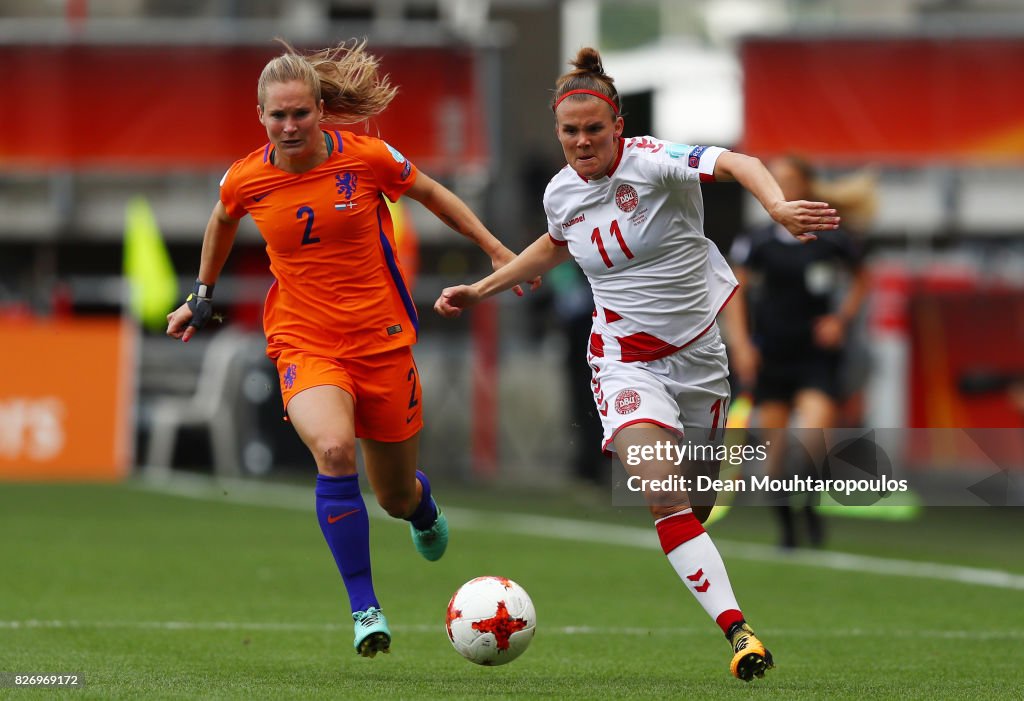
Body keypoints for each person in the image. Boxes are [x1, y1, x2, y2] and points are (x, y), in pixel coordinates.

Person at [434, 47, 840, 681]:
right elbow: (555, 244)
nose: (582, 141)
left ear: (617, 125)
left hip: (700, 358)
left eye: (594, 129)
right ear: (559, 134)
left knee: (696, 507)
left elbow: (739, 161)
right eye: (570, 132)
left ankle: (714, 562)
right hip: (623, 361)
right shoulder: (560, 192)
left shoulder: (655, 162)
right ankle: (739, 633)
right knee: (662, 494)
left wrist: (777, 206)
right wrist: (482, 289)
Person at [165, 39, 527, 659]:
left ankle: (420, 506)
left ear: (320, 110)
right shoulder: (246, 177)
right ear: (260, 117)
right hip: (304, 342)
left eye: (300, 113)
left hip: (382, 343)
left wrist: (497, 252)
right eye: (277, 116)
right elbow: (222, 219)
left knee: (393, 496)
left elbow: (434, 193)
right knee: (334, 451)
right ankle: (365, 606)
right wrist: (202, 293)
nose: (289, 126)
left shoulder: (366, 159)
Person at [723, 155, 869, 549]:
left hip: (815, 355)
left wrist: (841, 319)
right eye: (777, 180)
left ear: (806, 185)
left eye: (790, 179)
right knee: (775, 452)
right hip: (771, 355)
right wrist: (740, 346)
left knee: (813, 438)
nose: (783, 187)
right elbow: (734, 293)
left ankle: (811, 508)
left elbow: (861, 279)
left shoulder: (831, 234)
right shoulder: (755, 240)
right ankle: (787, 526)